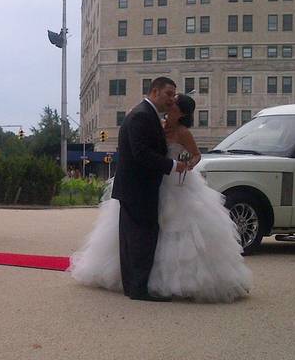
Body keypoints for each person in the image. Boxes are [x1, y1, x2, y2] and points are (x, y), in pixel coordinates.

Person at [69, 88, 252, 303]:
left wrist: (187, 165)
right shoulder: (155, 123)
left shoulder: (183, 132)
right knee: (139, 231)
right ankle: (134, 278)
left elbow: (196, 155)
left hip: (176, 183)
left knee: (174, 228)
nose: (169, 104)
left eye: (174, 103)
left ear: (181, 112)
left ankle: (163, 281)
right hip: (151, 181)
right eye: (170, 99)